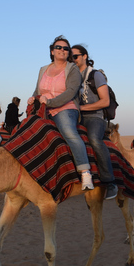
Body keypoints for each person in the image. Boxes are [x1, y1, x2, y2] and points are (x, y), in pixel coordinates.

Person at [28, 35, 93, 190]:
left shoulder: (72, 69)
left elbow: (70, 92)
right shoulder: (43, 69)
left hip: (65, 107)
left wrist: (50, 102)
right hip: (45, 109)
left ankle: (85, 173)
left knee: (68, 132)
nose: (62, 50)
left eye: (65, 48)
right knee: (27, 132)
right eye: (59, 47)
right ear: (52, 51)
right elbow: (38, 89)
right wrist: (32, 98)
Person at [71, 44, 117, 199]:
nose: (73, 59)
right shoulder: (73, 77)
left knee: (94, 140)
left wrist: (82, 108)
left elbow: (105, 101)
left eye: (75, 56)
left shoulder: (95, 75)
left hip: (95, 117)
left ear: (85, 56)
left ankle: (110, 181)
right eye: (71, 57)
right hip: (77, 117)